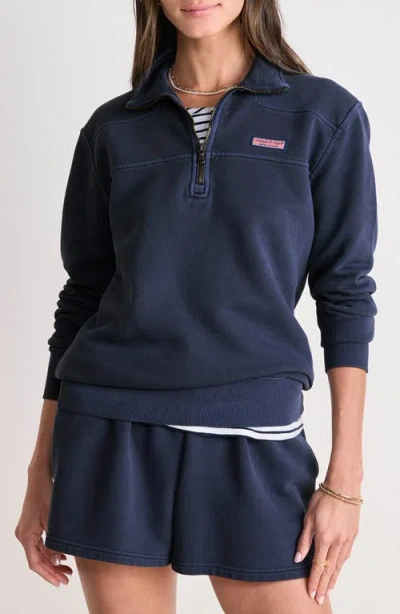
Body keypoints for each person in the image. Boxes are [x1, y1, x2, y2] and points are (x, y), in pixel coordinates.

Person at [15, 0, 378, 611]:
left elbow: (345, 292)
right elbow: (81, 299)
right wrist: (38, 472)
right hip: (111, 429)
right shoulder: (113, 129)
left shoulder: (323, 116)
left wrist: (346, 480)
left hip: (255, 433)